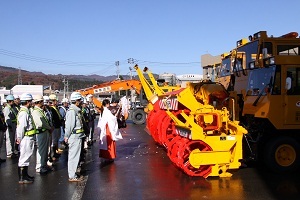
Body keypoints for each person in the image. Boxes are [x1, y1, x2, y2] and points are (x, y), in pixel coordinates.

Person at [64, 92, 86, 182]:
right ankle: (72, 176)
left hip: (78, 136)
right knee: (73, 157)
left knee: (75, 156)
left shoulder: (76, 110)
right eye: (80, 100)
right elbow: (69, 126)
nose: (81, 102)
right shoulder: (72, 111)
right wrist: (66, 136)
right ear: (77, 101)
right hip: (74, 137)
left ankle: (73, 173)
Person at [16, 93, 36, 184]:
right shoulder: (24, 113)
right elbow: (21, 127)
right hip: (26, 138)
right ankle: (22, 177)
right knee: (24, 157)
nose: (32, 103)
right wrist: (19, 137)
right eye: (31, 101)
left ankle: (25, 175)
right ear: (27, 102)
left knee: (27, 156)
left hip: (29, 137)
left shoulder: (26, 111)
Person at [32, 95, 53, 175]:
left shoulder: (40, 110)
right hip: (41, 132)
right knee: (41, 150)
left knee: (44, 151)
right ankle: (40, 167)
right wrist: (49, 127)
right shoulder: (36, 112)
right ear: (39, 102)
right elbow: (40, 123)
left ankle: (43, 165)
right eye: (42, 101)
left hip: (45, 132)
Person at [48, 94, 63, 162]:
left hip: (57, 126)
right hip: (54, 127)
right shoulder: (51, 109)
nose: (56, 102)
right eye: (55, 101)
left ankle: (56, 152)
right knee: (53, 141)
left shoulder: (56, 108)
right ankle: (52, 154)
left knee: (56, 140)